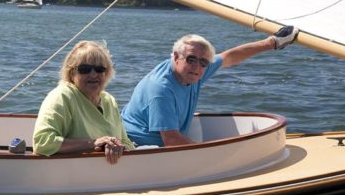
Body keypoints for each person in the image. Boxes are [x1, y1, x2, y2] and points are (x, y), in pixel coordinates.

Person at [121, 26, 300, 147]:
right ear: (176, 57)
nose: (197, 67)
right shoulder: (161, 90)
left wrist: (273, 42)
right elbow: (172, 141)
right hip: (138, 148)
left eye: (203, 62)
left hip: (168, 137)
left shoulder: (195, 68)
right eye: (191, 59)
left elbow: (229, 57)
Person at [33, 41, 134, 164]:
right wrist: (93, 143)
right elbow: (42, 143)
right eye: (84, 69)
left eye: (99, 69)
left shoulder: (109, 101)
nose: (93, 74)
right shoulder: (62, 96)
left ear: (106, 73)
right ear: (72, 73)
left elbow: (127, 142)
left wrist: (119, 147)